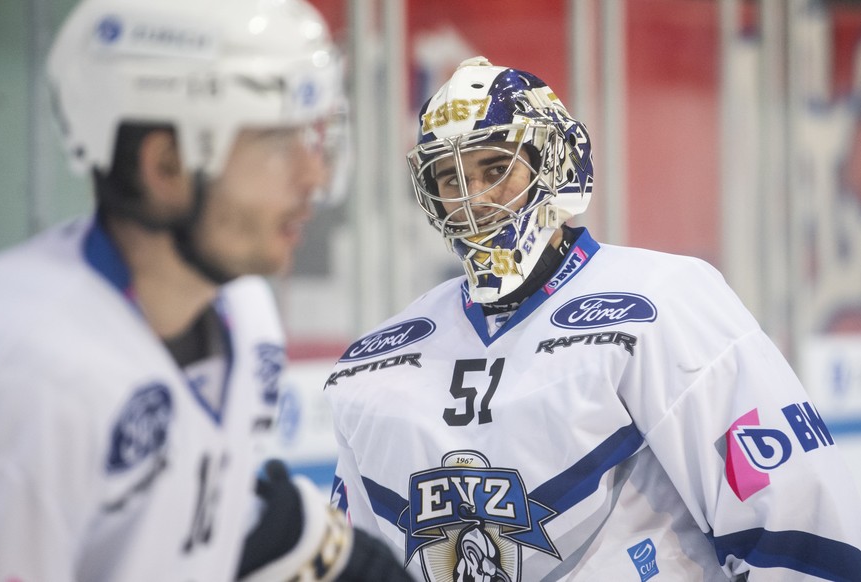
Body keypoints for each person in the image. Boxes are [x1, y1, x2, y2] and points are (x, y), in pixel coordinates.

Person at [323, 56, 861, 581]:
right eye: (449, 177)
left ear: (556, 163)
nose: (473, 199)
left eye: (495, 168)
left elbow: (798, 527)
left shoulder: (665, 303)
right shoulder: (375, 365)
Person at [0, 0, 411, 581]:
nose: (311, 177)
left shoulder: (243, 309)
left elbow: (213, 520)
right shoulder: (25, 376)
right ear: (166, 165)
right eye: (275, 144)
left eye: (310, 140)